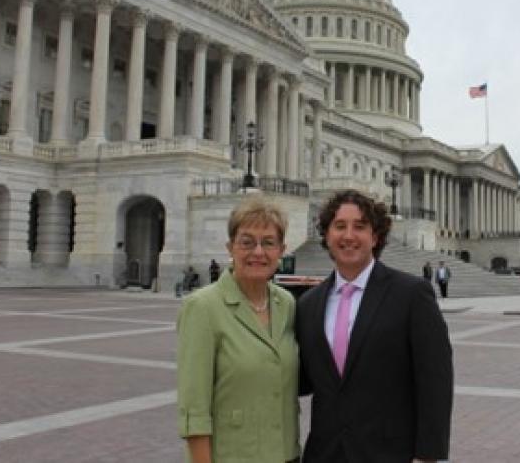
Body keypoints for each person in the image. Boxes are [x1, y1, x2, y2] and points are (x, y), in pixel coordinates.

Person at [296, 190, 453, 463]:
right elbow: (304, 380)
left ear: (375, 236)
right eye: (339, 226)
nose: (348, 236)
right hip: (325, 453)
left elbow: (435, 381)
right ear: (327, 236)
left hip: (391, 454)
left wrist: (428, 455)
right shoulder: (309, 304)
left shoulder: (411, 294)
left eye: (360, 226)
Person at [176, 198, 300, 463]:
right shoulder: (203, 307)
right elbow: (194, 408)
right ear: (230, 247)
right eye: (247, 242)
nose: (258, 252)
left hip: (287, 454)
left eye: (268, 242)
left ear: (282, 251)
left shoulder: (285, 304)